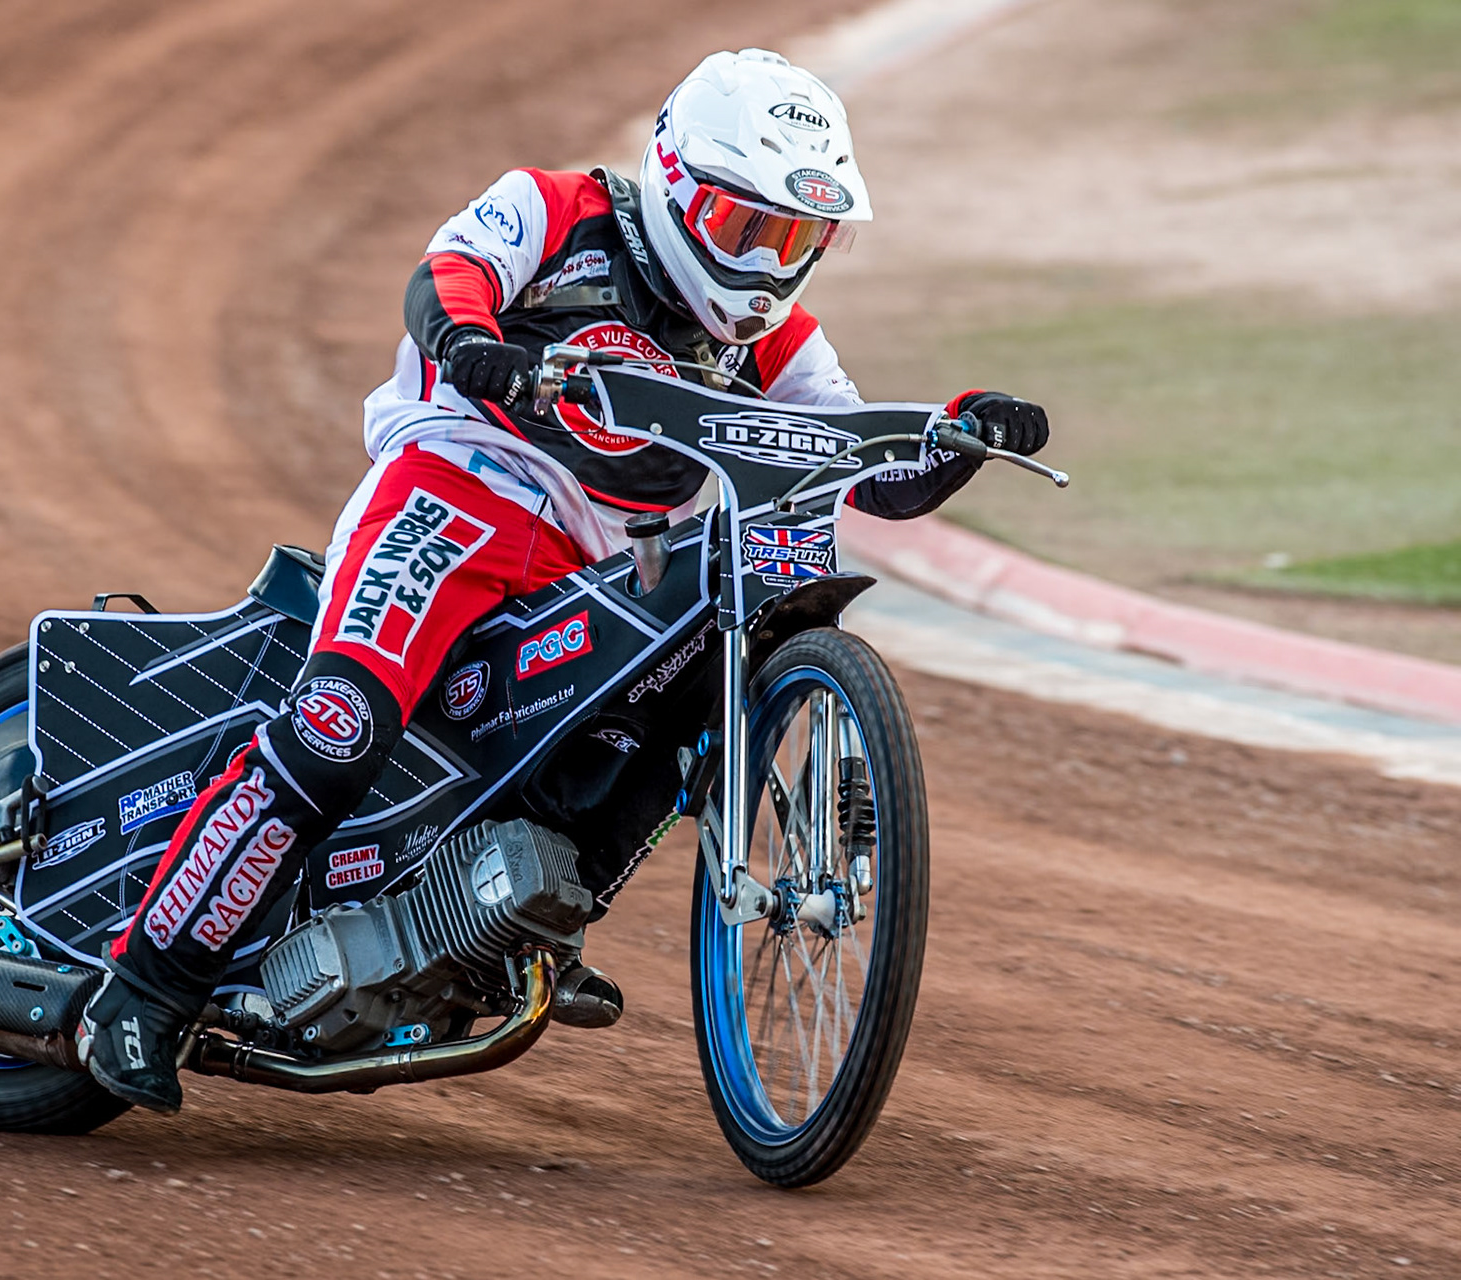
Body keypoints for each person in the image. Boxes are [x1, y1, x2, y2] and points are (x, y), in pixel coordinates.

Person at [78, 48, 1050, 1112]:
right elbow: (444, 278)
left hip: (599, 560)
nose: (769, 267)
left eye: (798, 240)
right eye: (748, 230)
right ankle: (143, 987)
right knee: (340, 723)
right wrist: (471, 341)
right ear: (679, 187)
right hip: (458, 489)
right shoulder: (556, 207)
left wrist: (961, 431)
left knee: (685, 702)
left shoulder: (776, 342)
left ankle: (522, 914)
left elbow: (860, 465)